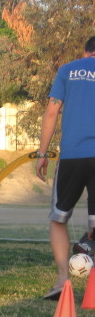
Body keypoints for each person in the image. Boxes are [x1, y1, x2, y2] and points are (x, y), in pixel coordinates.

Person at [36, 36, 95, 299]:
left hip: (72, 155)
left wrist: (42, 153)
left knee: (59, 218)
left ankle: (62, 281)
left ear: (86, 52)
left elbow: (51, 111)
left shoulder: (68, 70)